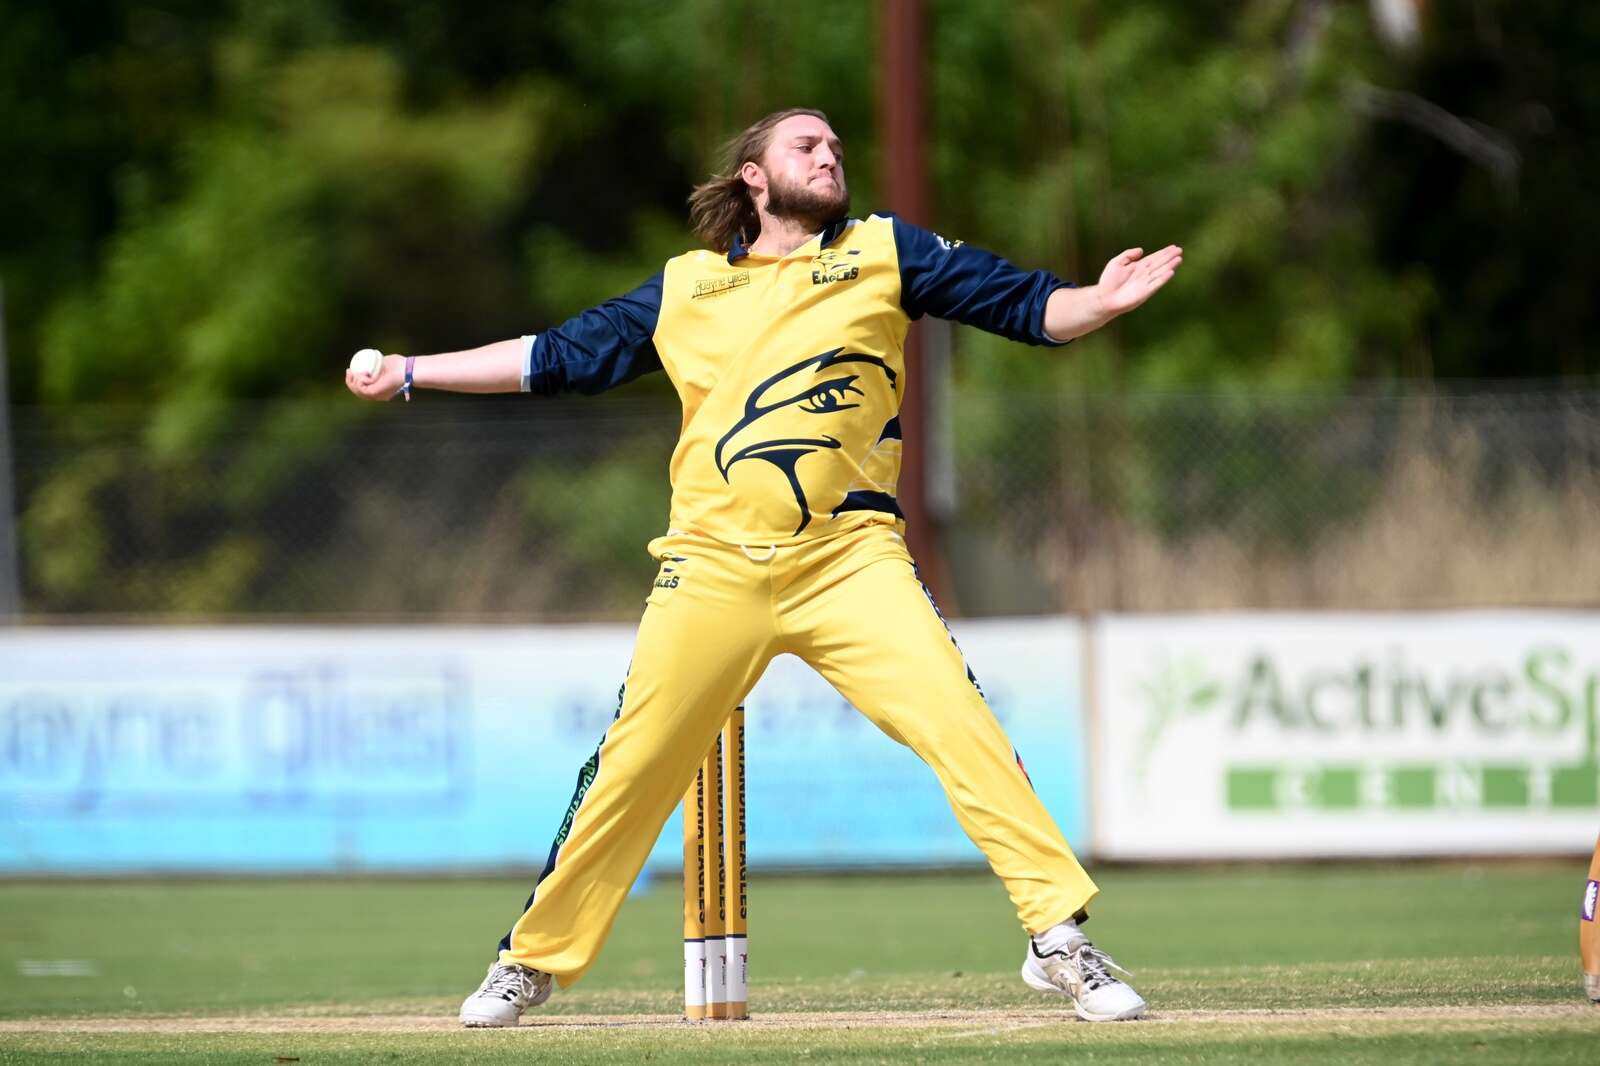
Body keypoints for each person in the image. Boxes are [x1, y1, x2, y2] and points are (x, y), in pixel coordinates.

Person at [346, 107, 1181, 1025]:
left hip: (849, 559)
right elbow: (556, 358)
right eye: (806, 146)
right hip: (708, 567)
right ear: (753, 175)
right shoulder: (686, 287)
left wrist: (1095, 304)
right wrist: (413, 372)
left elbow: (1025, 305)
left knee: (962, 724)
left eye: (834, 147)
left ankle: (1059, 938)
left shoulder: (883, 251)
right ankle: (531, 960)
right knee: (634, 767)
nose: (829, 157)